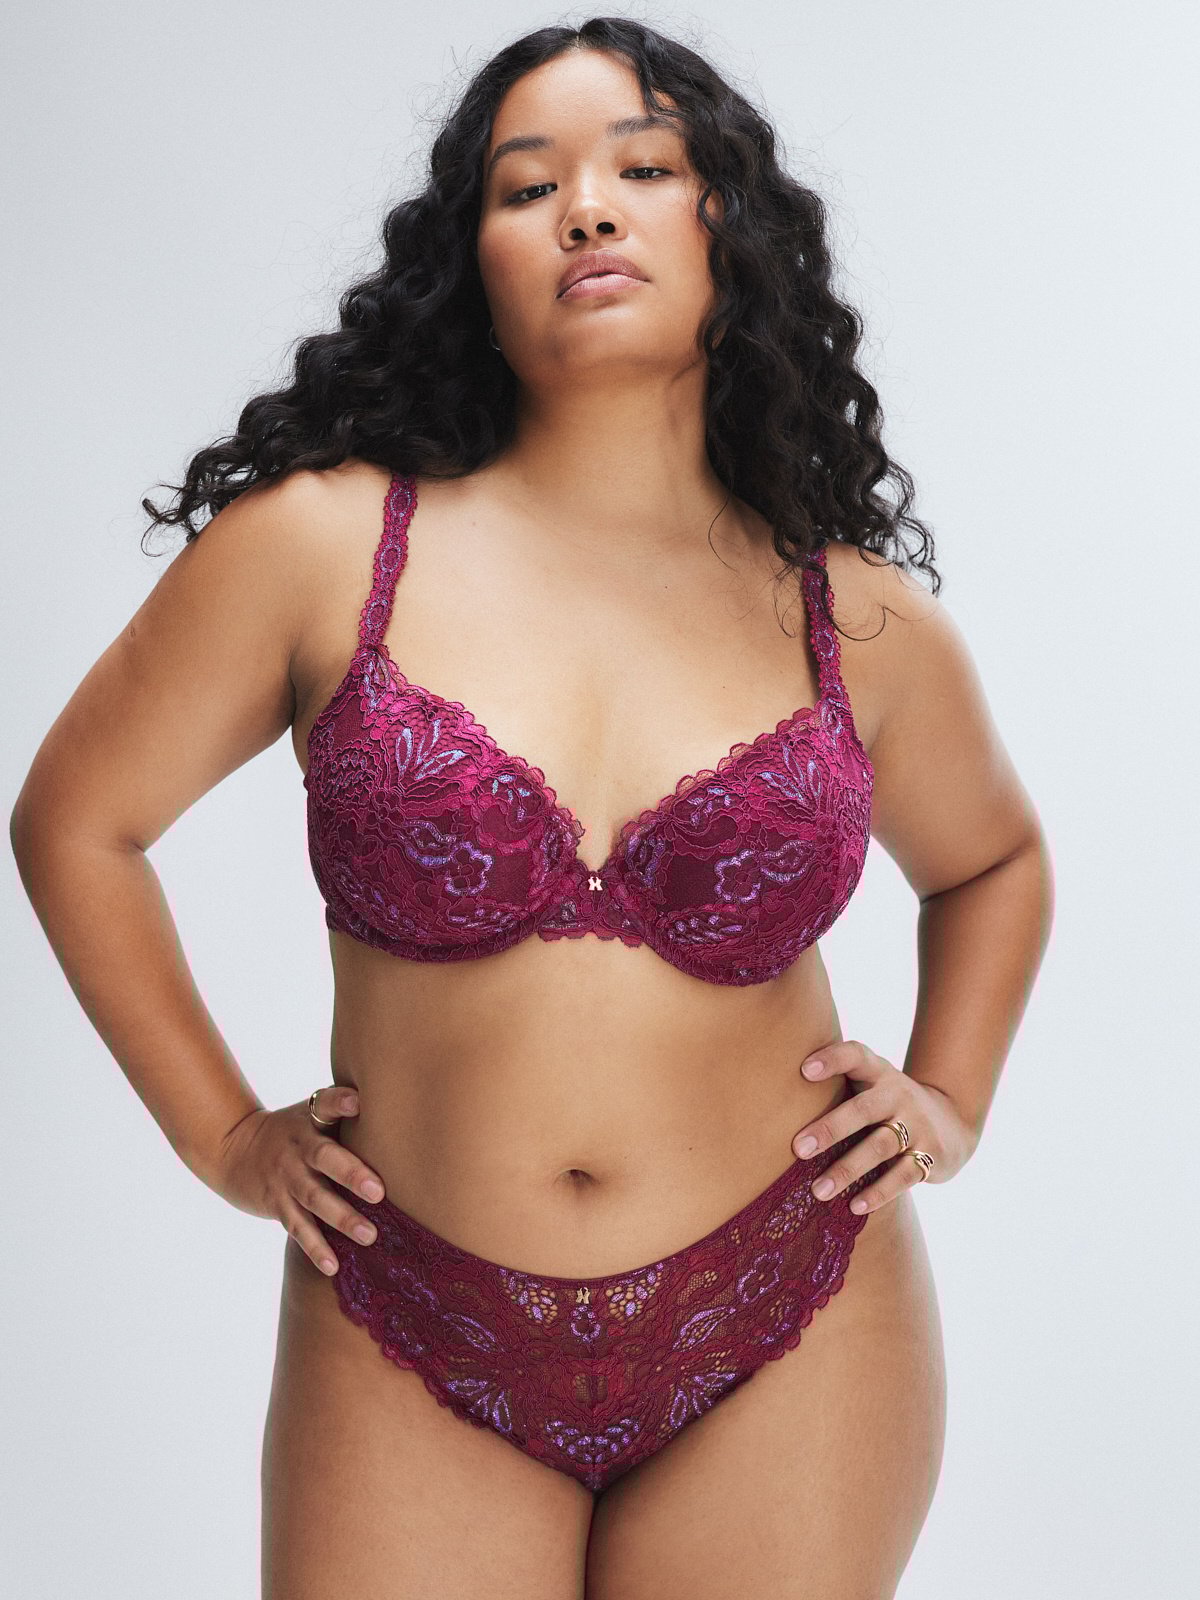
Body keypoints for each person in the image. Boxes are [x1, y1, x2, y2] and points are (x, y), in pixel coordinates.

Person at [9, 17, 1054, 1599]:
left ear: (733, 233)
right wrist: (225, 1136)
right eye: (527, 186)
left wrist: (951, 1100)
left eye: (645, 167)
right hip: (407, 1315)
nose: (586, 209)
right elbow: (77, 820)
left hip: (796, 1312)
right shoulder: (322, 547)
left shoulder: (855, 617)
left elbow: (993, 862)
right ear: (470, 267)